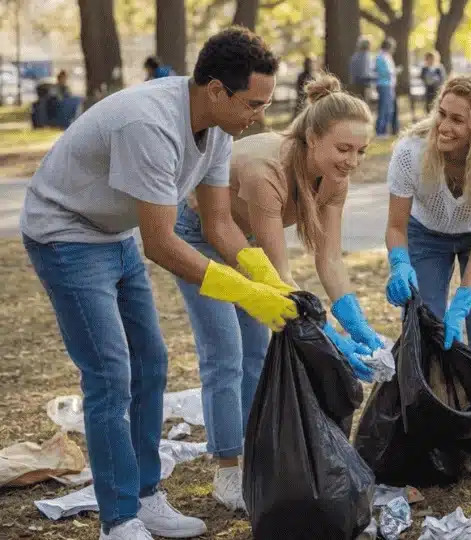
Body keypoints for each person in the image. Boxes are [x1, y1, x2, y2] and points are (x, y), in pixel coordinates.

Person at [20, 27, 292, 540]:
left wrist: (264, 276)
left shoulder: (215, 130)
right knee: (110, 374)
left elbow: (219, 224)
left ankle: (145, 496)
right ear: (216, 90)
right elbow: (162, 245)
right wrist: (242, 291)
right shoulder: (150, 125)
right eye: (254, 103)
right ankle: (118, 519)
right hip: (64, 231)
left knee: (152, 363)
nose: (261, 115)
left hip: (111, 231)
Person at [173, 71, 382, 512]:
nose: (352, 161)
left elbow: (329, 260)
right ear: (311, 137)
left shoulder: (333, 178)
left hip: (245, 242)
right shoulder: (267, 170)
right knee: (223, 352)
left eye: (361, 152)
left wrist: (357, 324)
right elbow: (279, 280)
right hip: (200, 235)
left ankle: (255, 457)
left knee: (256, 353)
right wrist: (335, 342)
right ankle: (228, 470)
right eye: (343, 149)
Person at [384, 74, 471, 472]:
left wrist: (463, 300)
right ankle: (435, 432)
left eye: (457, 120)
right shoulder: (411, 151)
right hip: (424, 234)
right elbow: (396, 226)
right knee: (426, 331)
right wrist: (399, 262)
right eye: (442, 114)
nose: (444, 126)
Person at [374, 38, 397, 136]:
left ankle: (384, 130)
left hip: (389, 85)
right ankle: (380, 131)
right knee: (383, 108)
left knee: (388, 109)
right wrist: (392, 72)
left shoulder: (387, 56)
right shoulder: (381, 57)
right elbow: (382, 71)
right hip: (384, 85)